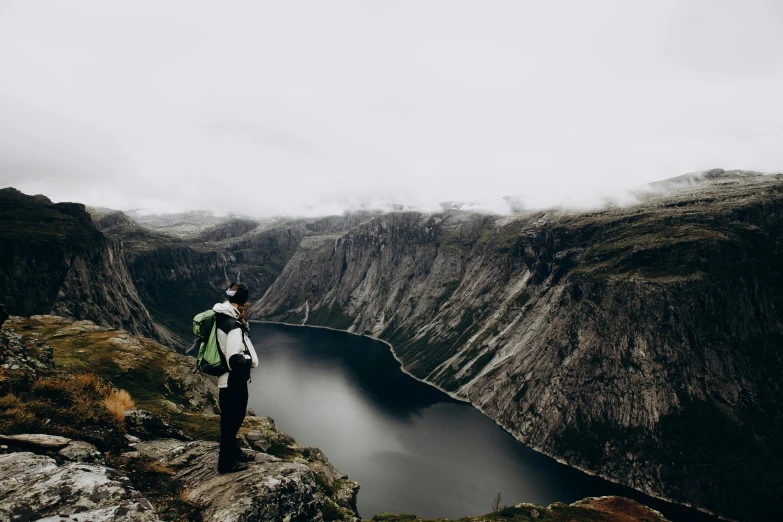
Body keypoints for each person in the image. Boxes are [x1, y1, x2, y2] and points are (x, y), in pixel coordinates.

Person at [213, 281, 259, 473]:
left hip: (228, 380)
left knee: (231, 419)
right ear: (243, 302)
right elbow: (234, 359)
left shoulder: (222, 318)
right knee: (232, 420)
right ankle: (226, 463)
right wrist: (250, 360)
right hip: (233, 382)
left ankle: (233, 451)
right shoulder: (233, 325)